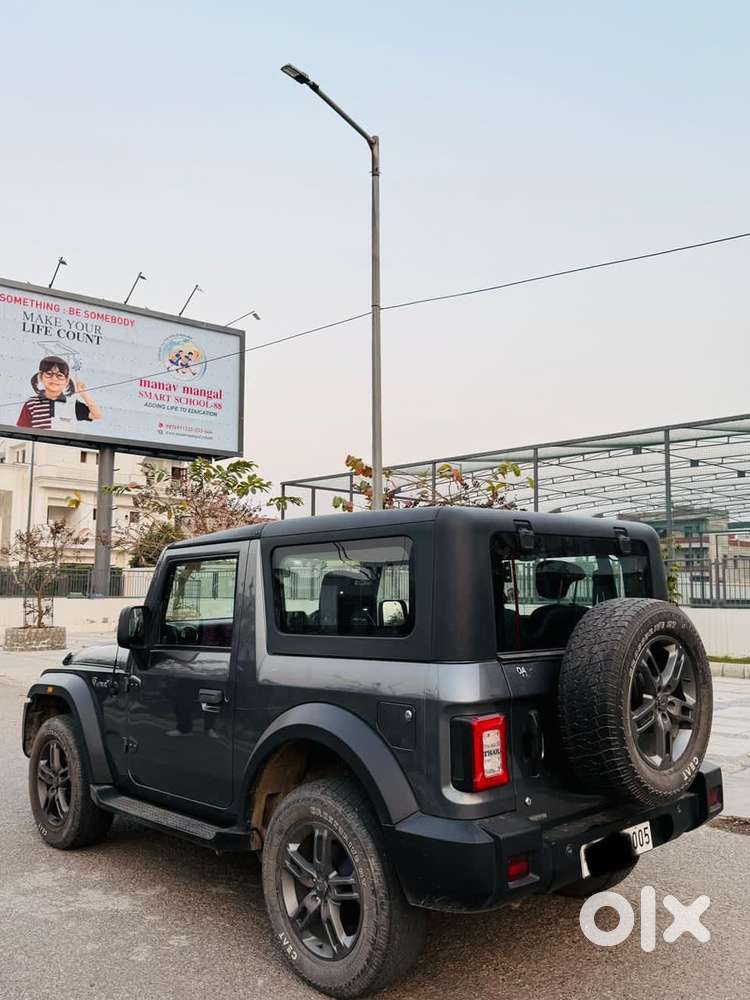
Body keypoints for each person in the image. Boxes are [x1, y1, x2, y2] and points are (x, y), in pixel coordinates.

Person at [16, 356, 102, 429]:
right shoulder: (31, 403)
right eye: (49, 374)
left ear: (67, 380)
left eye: (60, 375)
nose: (54, 379)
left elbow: (97, 415)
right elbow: (21, 429)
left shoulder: (71, 404)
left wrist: (84, 394)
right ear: (41, 377)